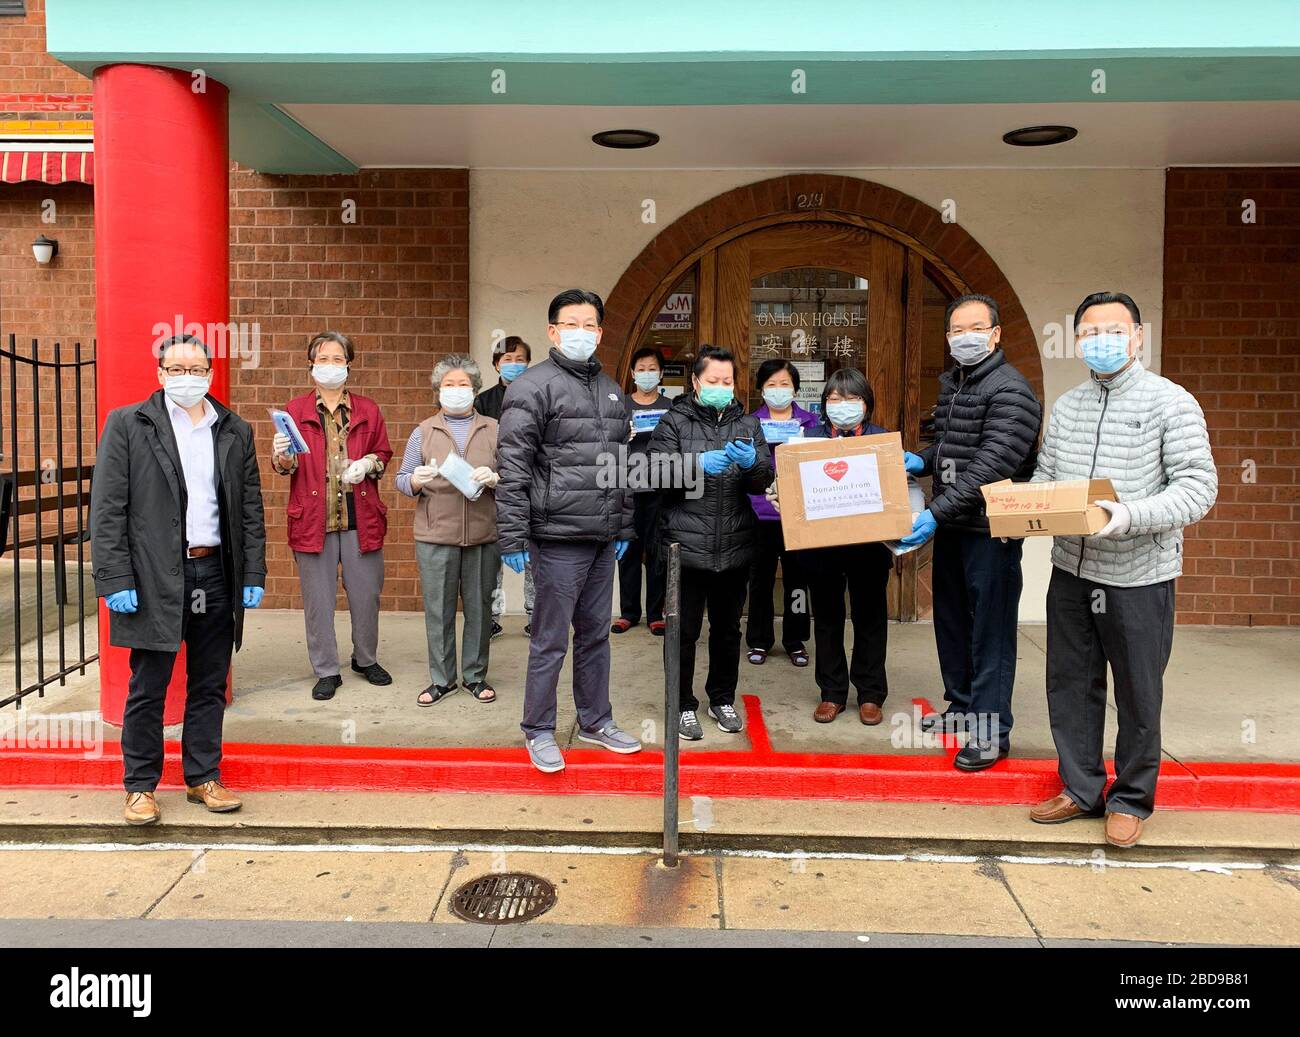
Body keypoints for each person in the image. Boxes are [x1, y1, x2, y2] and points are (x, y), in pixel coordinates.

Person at [1028, 292, 1216, 848]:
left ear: (1138, 336)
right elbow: (1047, 475)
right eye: (1088, 332)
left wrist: (1128, 516)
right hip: (1072, 570)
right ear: (1077, 341)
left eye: (1113, 330)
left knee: (1138, 692)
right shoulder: (1068, 406)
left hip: (1139, 574)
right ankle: (1081, 788)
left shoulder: (1171, 403)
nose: (1100, 341)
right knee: (1069, 683)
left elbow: (1198, 489)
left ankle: (1131, 798)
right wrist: (1026, 506)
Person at [91, 335, 266, 826]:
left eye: (196, 367)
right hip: (152, 574)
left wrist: (253, 570)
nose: (187, 376)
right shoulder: (129, 424)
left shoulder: (233, 429)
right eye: (177, 367)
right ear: (161, 373)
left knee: (210, 682)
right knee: (149, 684)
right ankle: (140, 786)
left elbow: (250, 509)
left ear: (210, 372)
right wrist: (115, 576)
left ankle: (202, 776)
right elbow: (107, 509)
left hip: (215, 571)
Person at [496, 288, 643, 772]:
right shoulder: (531, 387)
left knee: (595, 634)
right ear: (553, 331)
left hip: (601, 538)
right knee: (550, 638)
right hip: (557, 536)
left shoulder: (610, 389)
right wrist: (512, 535)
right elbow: (513, 465)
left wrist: (623, 523)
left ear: (600, 333)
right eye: (571, 324)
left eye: (590, 325)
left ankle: (596, 720)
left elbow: (621, 464)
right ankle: (538, 728)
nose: (582, 333)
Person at [898, 293, 1042, 771]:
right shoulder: (958, 383)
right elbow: (953, 445)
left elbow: (991, 466)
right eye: (956, 331)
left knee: (991, 632)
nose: (965, 338)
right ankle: (961, 707)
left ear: (996, 333)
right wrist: (924, 459)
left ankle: (991, 731)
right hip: (957, 525)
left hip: (991, 530)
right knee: (953, 621)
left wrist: (934, 512)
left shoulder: (1011, 391)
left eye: (975, 328)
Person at [649, 345, 772, 740]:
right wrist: (697, 464)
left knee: (727, 630)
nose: (722, 387)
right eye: (713, 381)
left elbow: (762, 479)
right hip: (684, 546)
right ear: (696, 382)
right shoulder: (674, 420)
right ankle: (682, 704)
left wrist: (753, 462)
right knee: (683, 631)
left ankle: (721, 697)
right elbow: (651, 472)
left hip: (735, 544)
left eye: (728, 381)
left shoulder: (748, 424)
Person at [271, 331, 394, 701]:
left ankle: (365, 658)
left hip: (361, 518)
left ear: (348, 364)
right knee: (319, 601)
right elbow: (284, 466)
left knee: (366, 595)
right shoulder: (294, 411)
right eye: (322, 359)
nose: (330, 366)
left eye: (337, 359)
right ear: (311, 365)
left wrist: (370, 463)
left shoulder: (368, 410)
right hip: (313, 520)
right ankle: (326, 669)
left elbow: (383, 454)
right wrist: (282, 454)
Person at [769, 369, 894, 726]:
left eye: (852, 398)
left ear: (866, 404)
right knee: (827, 619)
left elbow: (899, 490)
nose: (842, 406)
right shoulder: (807, 440)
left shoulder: (881, 440)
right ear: (824, 405)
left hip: (870, 545)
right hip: (821, 548)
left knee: (870, 619)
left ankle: (870, 694)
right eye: (834, 399)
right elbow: (788, 487)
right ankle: (832, 693)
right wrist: (781, 498)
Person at [396, 354, 501, 706]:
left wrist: (495, 478)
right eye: (448, 385)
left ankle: (475, 675)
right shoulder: (423, 431)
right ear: (438, 390)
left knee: (480, 608)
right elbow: (401, 478)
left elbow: (514, 476)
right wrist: (414, 479)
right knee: (438, 611)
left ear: (475, 389)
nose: (456, 391)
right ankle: (442, 679)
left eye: (463, 385)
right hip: (435, 535)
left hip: (483, 534)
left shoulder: (493, 429)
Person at [745, 358, 819, 668]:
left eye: (784, 384)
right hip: (759, 514)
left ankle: (795, 639)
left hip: (797, 515)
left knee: (797, 582)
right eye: (771, 385)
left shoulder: (811, 423)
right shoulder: (750, 423)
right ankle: (759, 640)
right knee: (759, 581)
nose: (778, 390)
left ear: (796, 389)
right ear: (761, 390)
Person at [477, 336, 536, 638]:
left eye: (520, 359)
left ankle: (535, 615)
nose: (514, 364)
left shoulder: (539, 395)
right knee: (493, 553)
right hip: (492, 486)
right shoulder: (483, 401)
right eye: (507, 359)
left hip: (532, 484)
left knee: (532, 552)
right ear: (496, 363)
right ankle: (490, 616)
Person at [612, 346, 670, 636]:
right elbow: (605, 443)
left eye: (652, 368)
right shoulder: (620, 406)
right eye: (641, 369)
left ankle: (656, 614)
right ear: (633, 373)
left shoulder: (671, 407)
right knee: (628, 551)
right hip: (628, 489)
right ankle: (628, 612)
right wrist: (622, 437)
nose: (647, 374)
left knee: (657, 552)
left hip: (659, 489)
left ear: (661, 373)